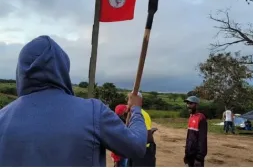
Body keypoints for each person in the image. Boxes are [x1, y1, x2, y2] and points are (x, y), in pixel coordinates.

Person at [0, 35, 147, 166]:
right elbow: (137, 146)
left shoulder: (2, 118)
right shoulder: (94, 112)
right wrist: (135, 109)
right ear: (63, 70)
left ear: (20, 72)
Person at [127, 95, 157, 167]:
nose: (128, 102)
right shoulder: (131, 113)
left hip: (143, 151)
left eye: (130, 99)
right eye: (129, 99)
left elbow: (147, 134)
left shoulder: (141, 114)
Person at [183, 96, 207, 167]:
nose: (188, 105)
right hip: (190, 153)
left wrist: (199, 158)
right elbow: (189, 138)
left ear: (196, 105)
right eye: (187, 103)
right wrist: (186, 154)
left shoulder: (201, 118)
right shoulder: (191, 117)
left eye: (191, 103)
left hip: (197, 155)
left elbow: (202, 139)